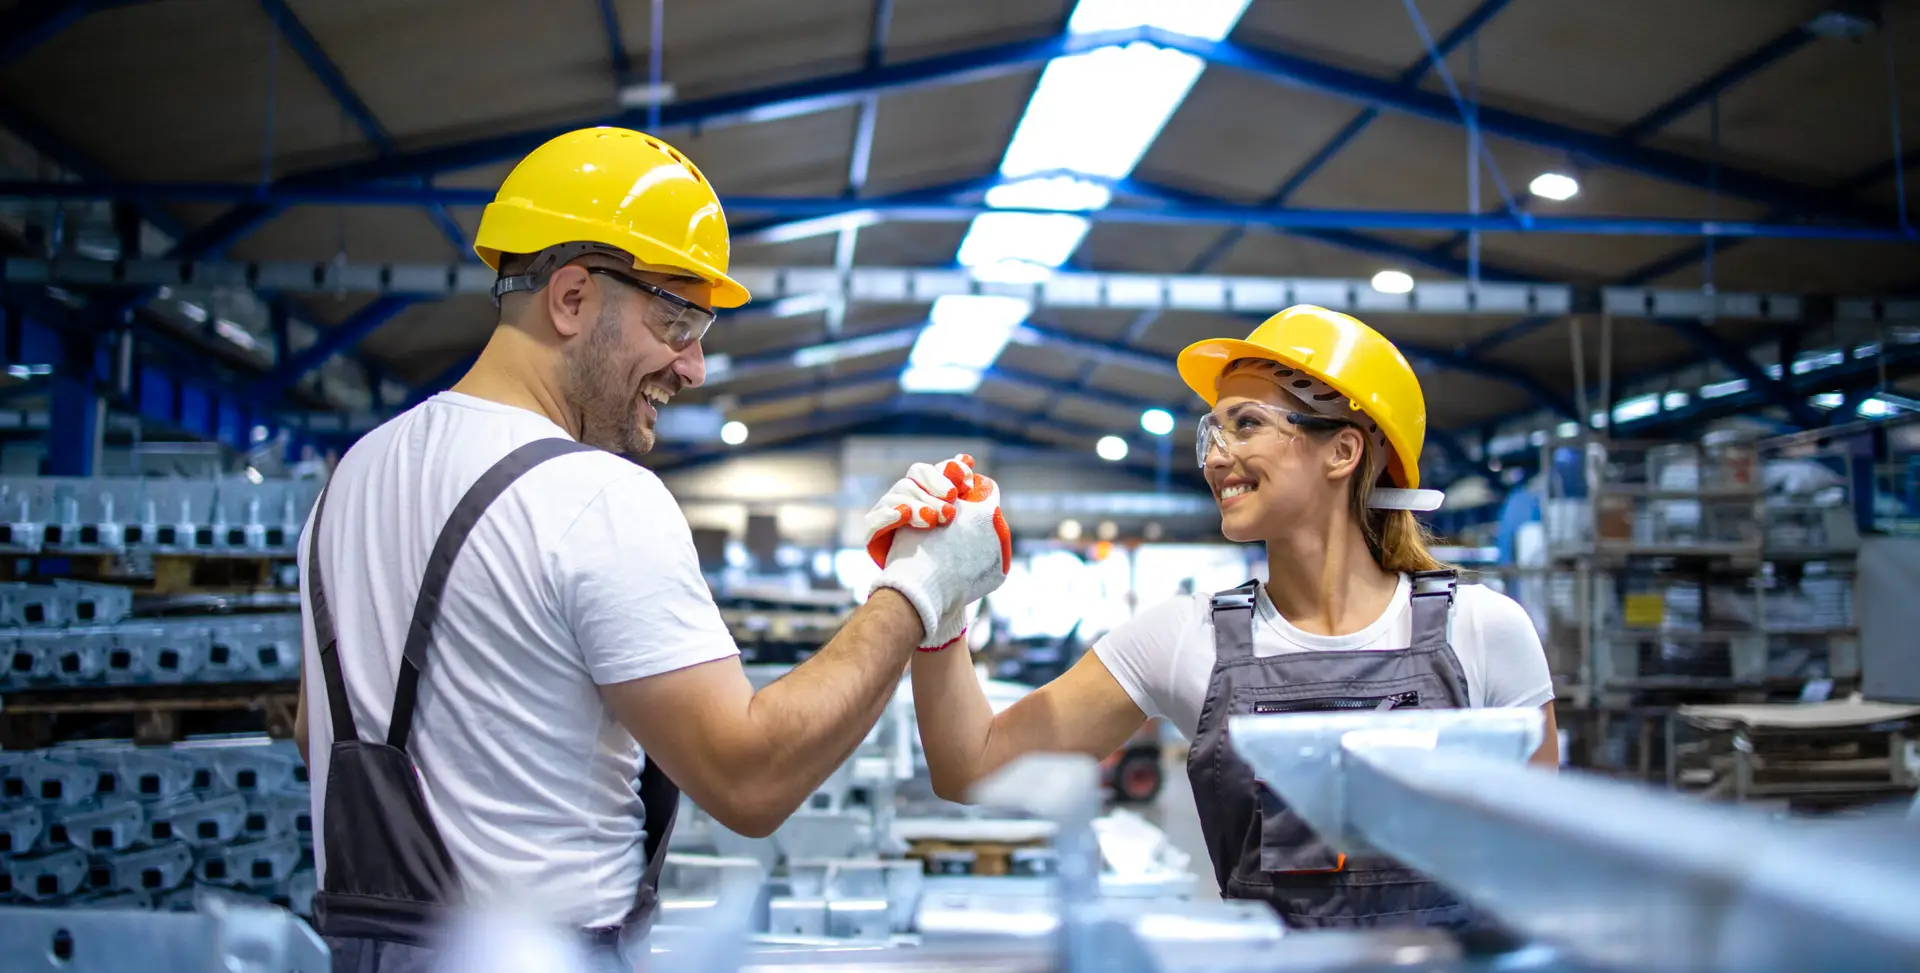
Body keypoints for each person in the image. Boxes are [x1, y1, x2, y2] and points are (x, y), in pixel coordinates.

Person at [291, 126, 1010, 972]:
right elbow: (751, 779)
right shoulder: (593, 497)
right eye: (676, 321)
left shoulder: (350, 483)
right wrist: (918, 586)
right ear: (570, 298)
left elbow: (319, 727)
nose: (695, 366)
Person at [893, 304, 1557, 931]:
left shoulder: (1484, 631)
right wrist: (939, 598)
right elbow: (973, 767)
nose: (1214, 456)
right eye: (1212, 429)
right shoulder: (1182, 639)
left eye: (1246, 424)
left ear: (1343, 451)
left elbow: (1545, 866)